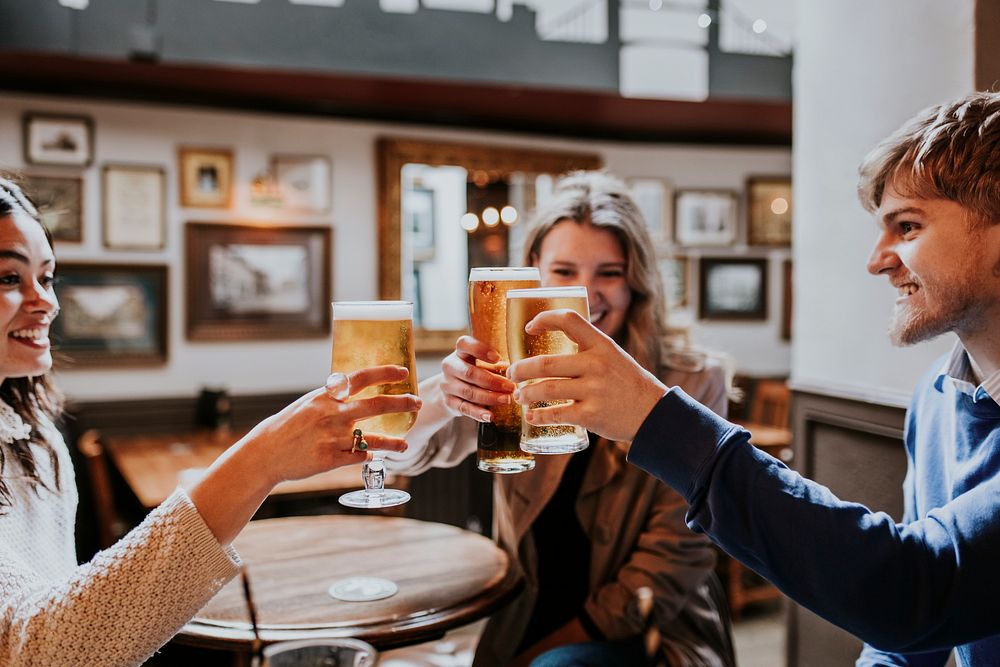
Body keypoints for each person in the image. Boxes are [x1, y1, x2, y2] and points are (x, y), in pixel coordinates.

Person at [507, 91, 1000, 667]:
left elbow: (917, 585)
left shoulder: (691, 376)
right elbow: (912, 639)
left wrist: (654, 418)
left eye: (907, 226)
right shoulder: (937, 398)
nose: (876, 259)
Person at [0, 177, 421, 666]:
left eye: (47, 278)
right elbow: (36, 651)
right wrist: (260, 459)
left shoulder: (36, 434)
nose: (46, 301)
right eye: (9, 278)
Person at [395, 172, 735, 667]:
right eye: (564, 270)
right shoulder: (513, 365)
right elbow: (416, 448)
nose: (584, 295)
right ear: (533, 270)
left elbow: (674, 558)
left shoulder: (693, 380)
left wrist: (539, 654)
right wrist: (447, 394)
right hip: (525, 612)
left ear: (636, 280)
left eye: (609, 273)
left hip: (648, 630)